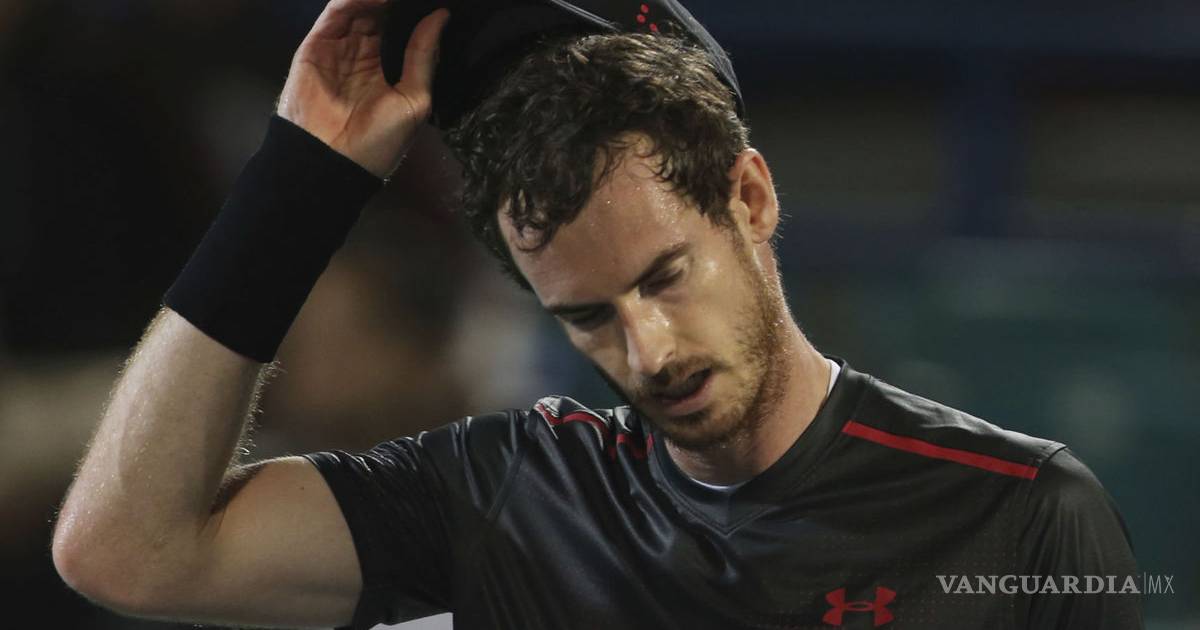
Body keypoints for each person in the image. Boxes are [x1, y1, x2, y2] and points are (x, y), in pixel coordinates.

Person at [52, 0, 1142, 628]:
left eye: (666, 277)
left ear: (751, 197)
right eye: (586, 317)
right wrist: (296, 187)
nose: (649, 353)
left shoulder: (1023, 512)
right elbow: (126, 550)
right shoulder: (509, 494)